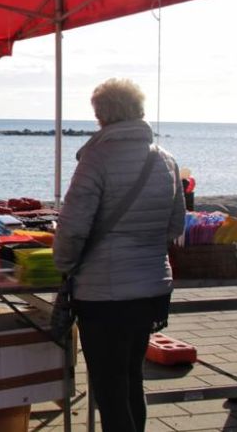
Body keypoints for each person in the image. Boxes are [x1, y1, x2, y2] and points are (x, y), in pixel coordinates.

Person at [53, 78, 185, 432]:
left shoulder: (96, 158)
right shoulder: (166, 160)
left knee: (110, 389)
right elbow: (175, 225)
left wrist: (63, 265)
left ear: (101, 115)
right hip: (152, 287)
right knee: (130, 378)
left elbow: (73, 226)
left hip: (103, 293)